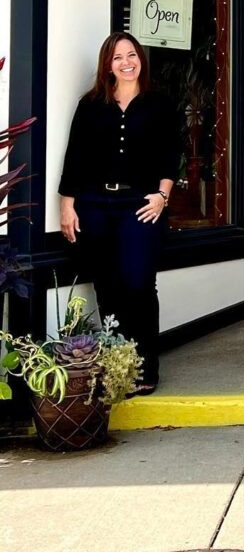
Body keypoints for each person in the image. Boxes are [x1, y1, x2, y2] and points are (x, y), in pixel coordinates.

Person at [58, 32, 180, 394]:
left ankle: (145, 369)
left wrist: (162, 195)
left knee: (139, 282)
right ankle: (117, 368)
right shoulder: (91, 104)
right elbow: (75, 157)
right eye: (117, 58)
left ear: (140, 58)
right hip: (95, 205)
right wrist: (67, 204)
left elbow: (170, 154)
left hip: (140, 204)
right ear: (107, 66)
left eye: (131, 55)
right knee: (107, 287)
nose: (126, 62)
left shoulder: (159, 104)